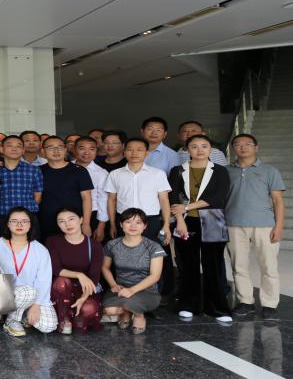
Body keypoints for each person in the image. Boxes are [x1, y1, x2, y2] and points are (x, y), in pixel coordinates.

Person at [167, 135, 232, 322]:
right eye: (194, 146)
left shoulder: (220, 170)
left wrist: (187, 207)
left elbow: (218, 197)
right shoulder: (177, 170)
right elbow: (173, 198)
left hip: (214, 219)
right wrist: (180, 220)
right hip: (186, 221)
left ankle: (218, 309)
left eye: (204, 146)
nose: (200, 150)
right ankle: (188, 305)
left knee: (214, 264)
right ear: (187, 149)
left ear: (211, 149)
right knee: (188, 264)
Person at [225, 134, 286, 320]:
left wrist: (279, 226)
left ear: (256, 147)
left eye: (248, 144)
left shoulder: (269, 170)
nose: (243, 147)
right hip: (233, 224)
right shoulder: (226, 171)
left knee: (269, 266)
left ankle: (270, 304)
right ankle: (245, 301)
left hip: (264, 225)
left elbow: (278, 201)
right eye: (238, 144)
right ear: (233, 148)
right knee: (238, 266)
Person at [103, 137, 173, 297]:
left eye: (139, 149)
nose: (134, 153)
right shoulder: (115, 174)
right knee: (122, 256)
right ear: (124, 152)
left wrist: (166, 225)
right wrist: (113, 224)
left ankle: (156, 296)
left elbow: (164, 200)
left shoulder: (157, 174)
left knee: (154, 258)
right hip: (124, 221)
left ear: (147, 153)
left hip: (151, 221)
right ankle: (122, 292)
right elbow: (111, 200)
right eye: (130, 149)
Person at [0, 208, 56, 336]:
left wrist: (36, 305)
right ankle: (11, 320)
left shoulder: (40, 250)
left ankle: (22, 314)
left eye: (24, 221)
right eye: (14, 221)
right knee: (27, 292)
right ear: (8, 224)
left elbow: (44, 280)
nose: (19, 225)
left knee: (48, 326)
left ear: (31, 224)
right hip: (4, 295)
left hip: (32, 297)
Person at [101, 209, 166, 334]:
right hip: (121, 289)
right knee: (109, 310)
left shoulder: (153, 247)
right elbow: (105, 267)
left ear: (145, 226)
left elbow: (155, 276)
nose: (133, 226)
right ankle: (127, 312)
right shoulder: (112, 245)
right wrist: (113, 285)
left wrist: (131, 290)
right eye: (128, 222)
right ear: (121, 225)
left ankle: (138, 315)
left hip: (146, 291)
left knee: (130, 303)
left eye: (138, 222)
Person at [46, 208, 103, 334]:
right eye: (61, 221)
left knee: (88, 309)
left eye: (71, 219)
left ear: (81, 220)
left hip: (84, 288)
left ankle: (75, 315)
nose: (67, 224)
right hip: (60, 290)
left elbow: (94, 277)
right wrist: (79, 274)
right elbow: (56, 269)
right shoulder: (53, 241)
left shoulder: (94, 245)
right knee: (62, 282)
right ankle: (64, 318)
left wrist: (83, 297)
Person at [37, 137, 93, 242]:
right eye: (51, 148)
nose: (56, 151)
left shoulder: (79, 171)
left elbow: (87, 198)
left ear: (65, 149)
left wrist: (86, 224)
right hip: (45, 222)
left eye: (60, 147)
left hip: (73, 223)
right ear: (43, 151)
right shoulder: (37, 171)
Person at [0, 136, 43, 239]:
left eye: (18, 146)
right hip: (2, 216)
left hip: (28, 217)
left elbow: (38, 196)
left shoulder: (34, 170)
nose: (14, 148)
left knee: (31, 245)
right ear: (1, 149)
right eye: (9, 145)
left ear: (23, 150)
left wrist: (24, 214)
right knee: (1, 246)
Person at [73, 137, 110, 242]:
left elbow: (103, 201)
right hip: (68, 213)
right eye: (82, 148)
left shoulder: (101, 173)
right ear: (74, 150)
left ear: (96, 151)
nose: (87, 152)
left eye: (92, 149)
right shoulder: (66, 167)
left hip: (92, 215)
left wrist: (101, 226)